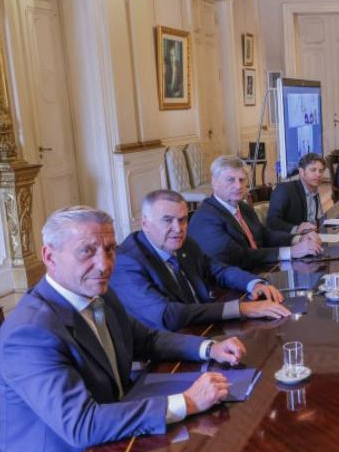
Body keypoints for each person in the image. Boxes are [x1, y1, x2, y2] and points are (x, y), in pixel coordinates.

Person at [0, 206, 246, 451]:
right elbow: (82, 425)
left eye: (109, 250)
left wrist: (209, 347)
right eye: (87, 251)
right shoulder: (29, 333)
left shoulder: (98, 295)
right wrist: (188, 402)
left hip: (120, 432)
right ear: (50, 257)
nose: (104, 265)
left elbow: (145, 340)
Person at [111, 190, 291, 331]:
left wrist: (254, 284)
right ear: (145, 224)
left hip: (205, 326)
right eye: (168, 220)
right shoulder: (127, 262)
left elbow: (217, 270)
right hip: (170, 345)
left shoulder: (184, 243)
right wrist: (241, 309)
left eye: (182, 220)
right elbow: (167, 315)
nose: (177, 228)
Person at [188, 156, 322, 270]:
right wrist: (290, 252)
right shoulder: (206, 218)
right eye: (230, 180)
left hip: (261, 270)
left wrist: (297, 238)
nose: (238, 186)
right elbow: (239, 257)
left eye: (241, 180)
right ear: (214, 183)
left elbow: (264, 235)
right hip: (231, 287)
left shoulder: (243, 207)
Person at [267, 153, 329, 233]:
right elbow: (272, 222)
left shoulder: (314, 191)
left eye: (321, 171)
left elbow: (316, 219)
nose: (318, 174)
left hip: (313, 236)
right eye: (313, 170)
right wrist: (296, 229)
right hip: (291, 240)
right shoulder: (284, 190)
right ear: (302, 172)